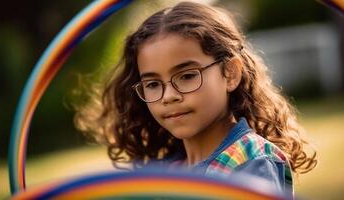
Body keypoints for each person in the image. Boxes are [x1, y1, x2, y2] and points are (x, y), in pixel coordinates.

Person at [72, 1, 317, 197]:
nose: (168, 96)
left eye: (187, 76)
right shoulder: (167, 171)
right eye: (153, 84)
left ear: (230, 73)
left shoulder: (252, 162)